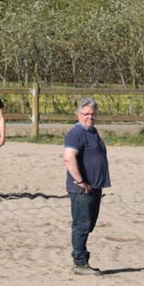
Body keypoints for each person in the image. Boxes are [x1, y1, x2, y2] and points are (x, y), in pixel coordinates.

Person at [62, 97, 110, 275]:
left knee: (89, 224)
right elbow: (68, 157)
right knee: (82, 224)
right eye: (86, 114)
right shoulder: (76, 133)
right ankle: (80, 262)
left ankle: (81, 258)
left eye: (93, 113)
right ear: (78, 114)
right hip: (82, 188)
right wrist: (81, 181)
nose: (90, 117)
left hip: (95, 187)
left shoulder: (93, 132)